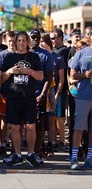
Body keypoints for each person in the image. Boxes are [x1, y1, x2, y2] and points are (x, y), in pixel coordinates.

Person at [0, 31, 43, 167]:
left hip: (29, 97)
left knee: (31, 126)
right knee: (15, 127)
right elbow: (1, 78)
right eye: (19, 40)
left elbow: (41, 76)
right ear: (15, 42)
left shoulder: (34, 57)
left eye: (24, 40)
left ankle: (31, 154)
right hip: (13, 97)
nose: (21, 43)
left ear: (27, 42)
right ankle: (17, 155)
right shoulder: (9, 57)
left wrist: (29, 72)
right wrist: (10, 71)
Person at [29, 29, 54, 161]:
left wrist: (43, 94)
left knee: (39, 125)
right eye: (32, 37)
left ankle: (37, 151)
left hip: (39, 95)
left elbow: (49, 77)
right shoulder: (23, 53)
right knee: (22, 124)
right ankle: (25, 151)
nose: (35, 40)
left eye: (37, 38)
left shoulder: (46, 55)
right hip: (24, 95)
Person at [69, 41, 92, 169]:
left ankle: (90, 156)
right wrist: (85, 75)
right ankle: (74, 157)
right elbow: (72, 75)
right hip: (84, 96)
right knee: (78, 128)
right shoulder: (82, 53)